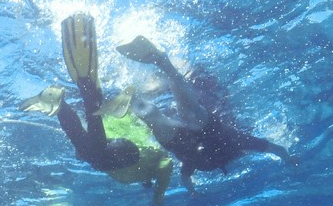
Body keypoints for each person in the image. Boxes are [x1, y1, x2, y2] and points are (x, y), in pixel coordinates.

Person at [114, 33, 297, 192]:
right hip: (202, 132)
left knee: (173, 117)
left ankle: (133, 85)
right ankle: (157, 65)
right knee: (177, 116)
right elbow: (274, 148)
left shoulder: (224, 153)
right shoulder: (238, 143)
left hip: (190, 139)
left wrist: (192, 191)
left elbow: (274, 148)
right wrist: (288, 159)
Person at [56, 13, 173, 206]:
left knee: (91, 151)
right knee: (94, 153)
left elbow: (97, 146)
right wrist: (159, 194)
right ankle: (75, 96)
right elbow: (167, 164)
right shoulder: (150, 170)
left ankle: (62, 104)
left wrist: (82, 149)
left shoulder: (133, 176)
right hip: (124, 152)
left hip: (111, 151)